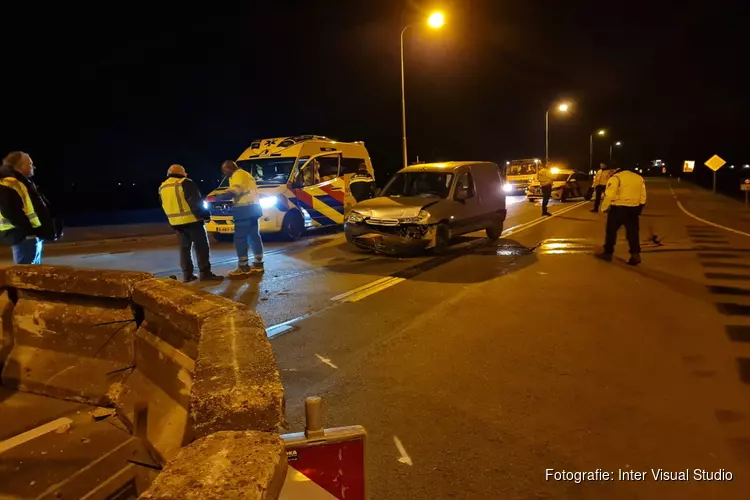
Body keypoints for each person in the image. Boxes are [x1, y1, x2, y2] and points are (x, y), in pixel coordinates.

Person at [159, 164, 222, 282]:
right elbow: (195, 202)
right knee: (201, 247)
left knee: (184, 249)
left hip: (176, 223)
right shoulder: (185, 182)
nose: (186, 173)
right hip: (192, 220)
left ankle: (187, 275)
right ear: (180, 172)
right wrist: (205, 216)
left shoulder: (163, 186)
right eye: (184, 171)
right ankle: (205, 274)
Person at [0, 151, 59, 264]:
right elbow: (11, 212)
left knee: (32, 273)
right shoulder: (10, 183)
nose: (33, 167)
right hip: (23, 236)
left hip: (29, 235)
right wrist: (29, 231)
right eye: (30, 164)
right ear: (20, 166)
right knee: (26, 273)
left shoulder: (21, 182)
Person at [212, 160, 264, 277]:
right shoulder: (246, 174)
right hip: (254, 209)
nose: (224, 173)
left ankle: (243, 267)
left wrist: (219, 197)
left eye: (224, 171)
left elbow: (235, 190)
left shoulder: (238, 175)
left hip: (244, 210)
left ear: (228, 169)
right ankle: (258, 264)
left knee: (240, 238)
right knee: (254, 236)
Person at [597, 165, 647, 265]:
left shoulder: (616, 178)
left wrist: (604, 208)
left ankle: (608, 253)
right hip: (633, 208)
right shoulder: (638, 178)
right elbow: (643, 194)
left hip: (618, 208)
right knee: (633, 233)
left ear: (617, 169)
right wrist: (640, 205)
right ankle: (635, 255)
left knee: (611, 231)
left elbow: (609, 195)